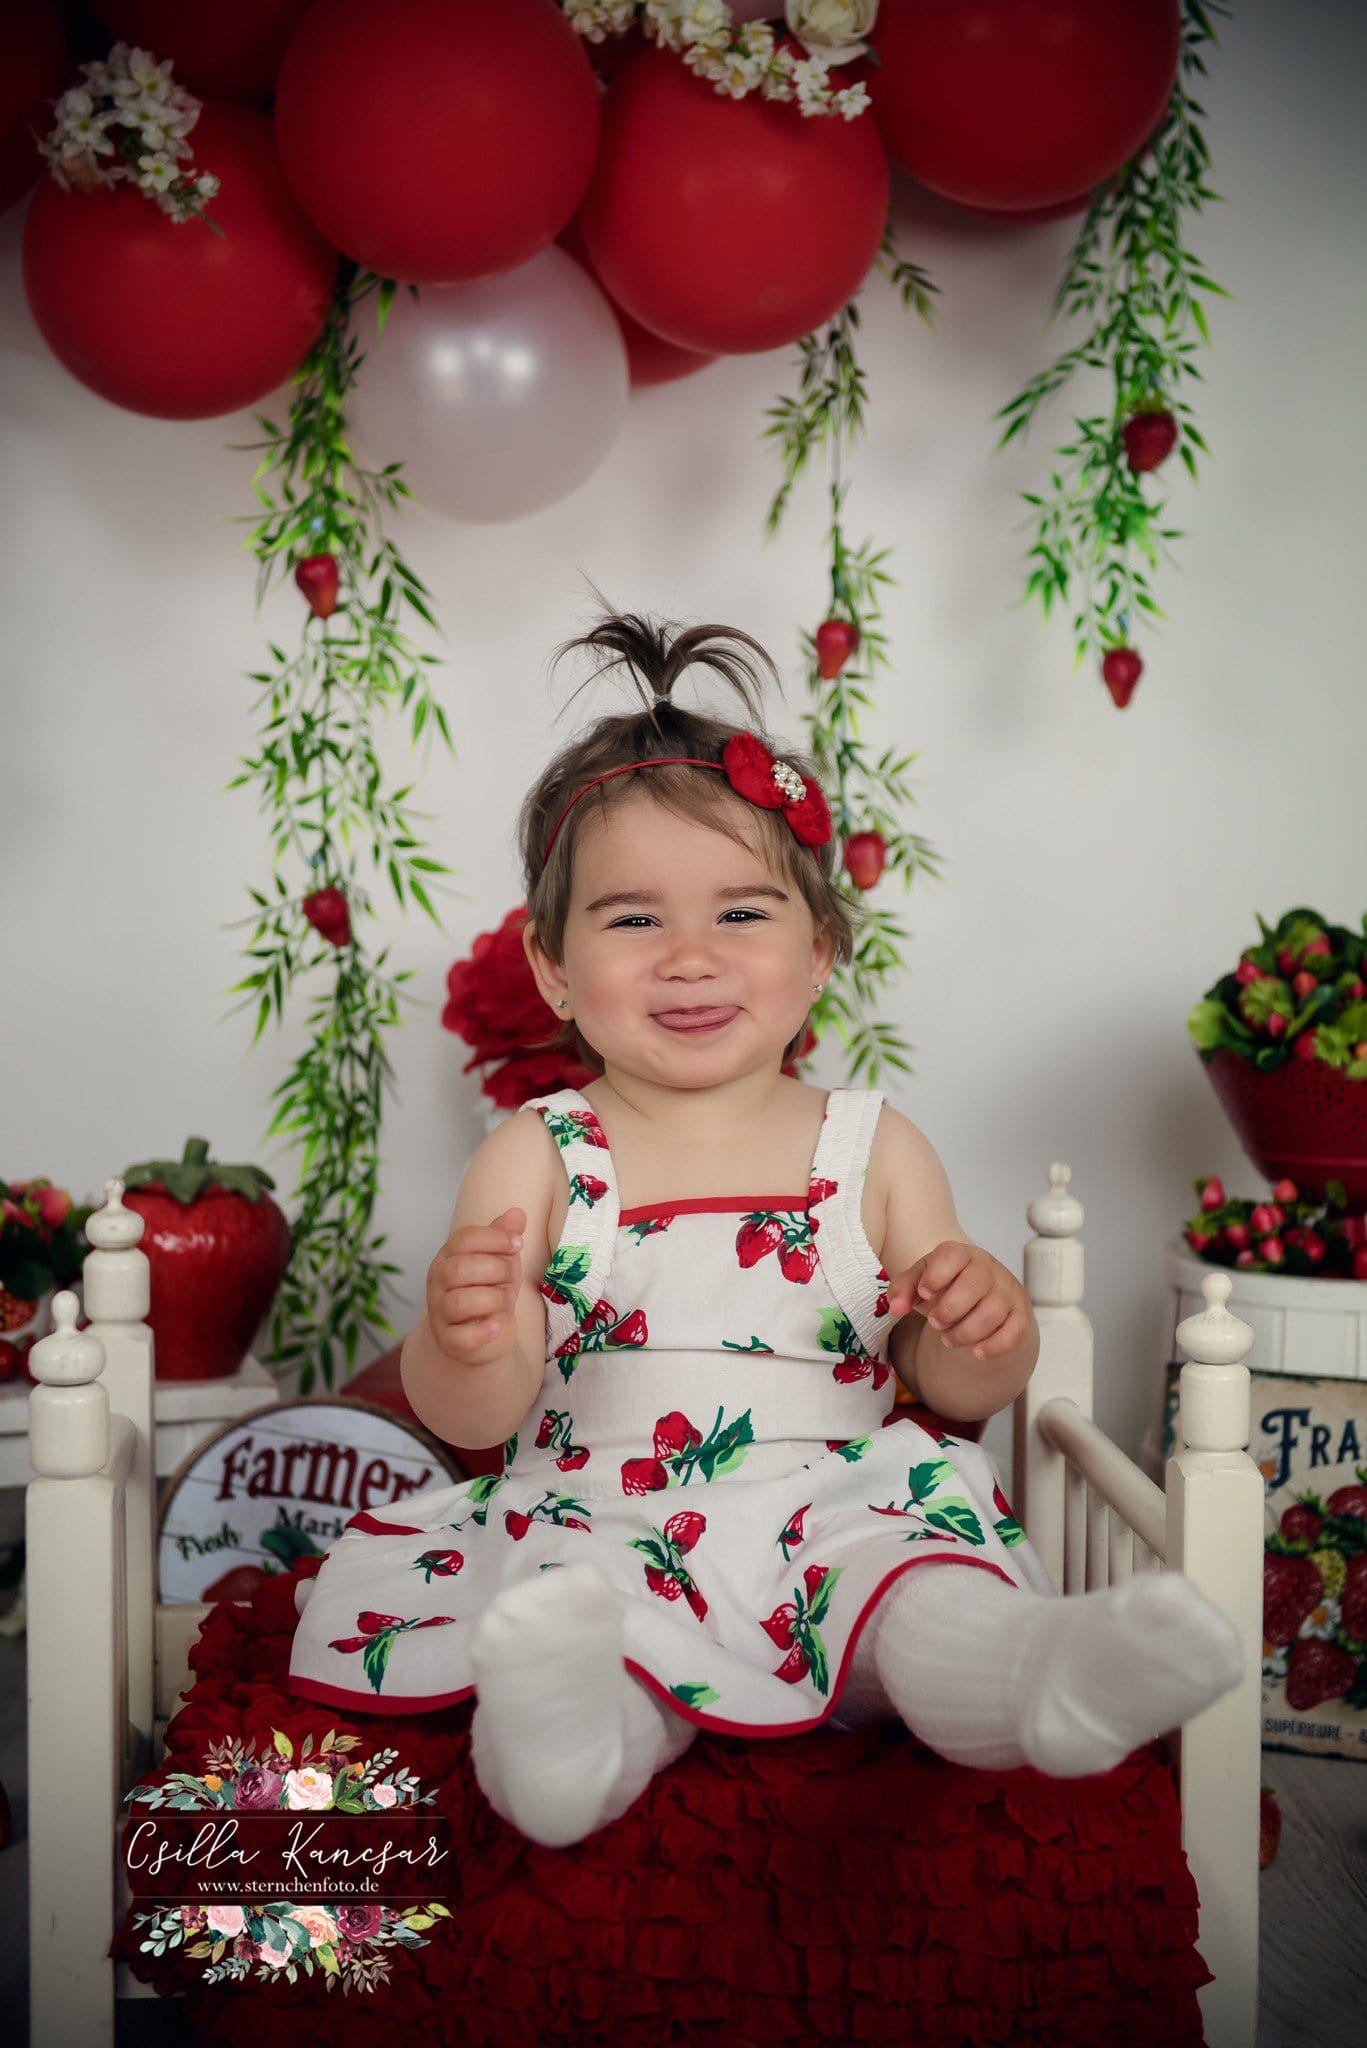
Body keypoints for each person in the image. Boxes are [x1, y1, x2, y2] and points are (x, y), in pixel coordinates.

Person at [288, 607, 1243, 1850]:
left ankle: (1035, 1673)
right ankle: (563, 1736)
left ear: (820, 950)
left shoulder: (871, 1145)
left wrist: (980, 1322)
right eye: (632, 919)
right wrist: (467, 1336)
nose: (689, 956)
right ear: (551, 966)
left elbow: (950, 1384)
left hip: (834, 1501)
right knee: (587, 1607)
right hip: (604, 1507)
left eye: (740, 913)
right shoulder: (538, 1149)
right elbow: (473, 1418)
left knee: (916, 1579)